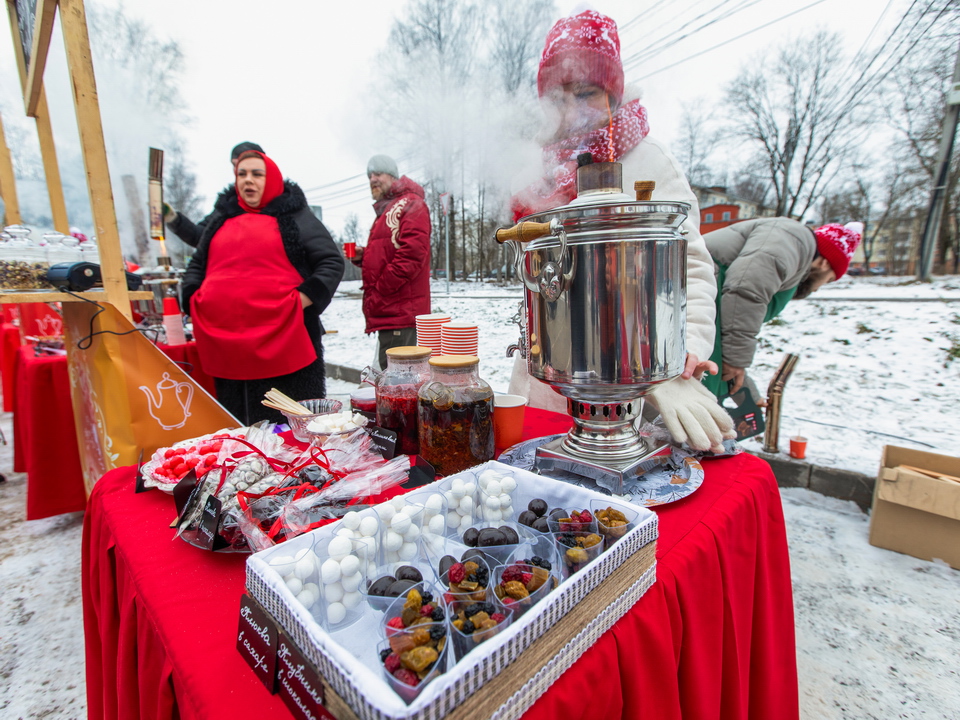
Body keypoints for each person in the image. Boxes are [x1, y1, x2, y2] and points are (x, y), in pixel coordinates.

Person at [507, 9, 733, 453]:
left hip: (629, 371)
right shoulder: (538, 170)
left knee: (614, 472)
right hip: (548, 366)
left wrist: (679, 356)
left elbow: (690, 266)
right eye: (557, 98)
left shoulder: (648, 159)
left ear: (612, 92)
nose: (570, 110)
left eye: (585, 93)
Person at [181, 150, 344, 425]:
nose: (248, 180)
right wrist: (192, 299)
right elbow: (198, 263)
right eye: (242, 174)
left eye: (257, 174)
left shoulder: (295, 215)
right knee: (238, 427)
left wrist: (301, 300)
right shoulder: (221, 218)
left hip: (284, 337)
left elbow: (330, 261)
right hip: (226, 343)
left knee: (288, 429)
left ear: (272, 179)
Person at [702, 218, 863, 400]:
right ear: (825, 263)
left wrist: (750, 396)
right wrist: (735, 361)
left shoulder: (794, 250)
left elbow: (731, 325)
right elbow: (745, 291)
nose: (818, 288)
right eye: (829, 279)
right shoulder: (791, 239)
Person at [351, 154, 431, 370]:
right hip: (391, 311)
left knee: (397, 380)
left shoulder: (411, 203)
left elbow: (412, 254)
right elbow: (388, 251)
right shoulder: (388, 208)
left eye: (378, 173)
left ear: (392, 175)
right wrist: (364, 255)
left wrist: (381, 288)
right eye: (369, 175)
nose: (372, 179)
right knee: (392, 378)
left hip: (400, 312)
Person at [164, 141, 264, 248]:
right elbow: (200, 237)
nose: (238, 170)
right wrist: (173, 218)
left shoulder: (276, 203)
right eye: (235, 165)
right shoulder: (227, 204)